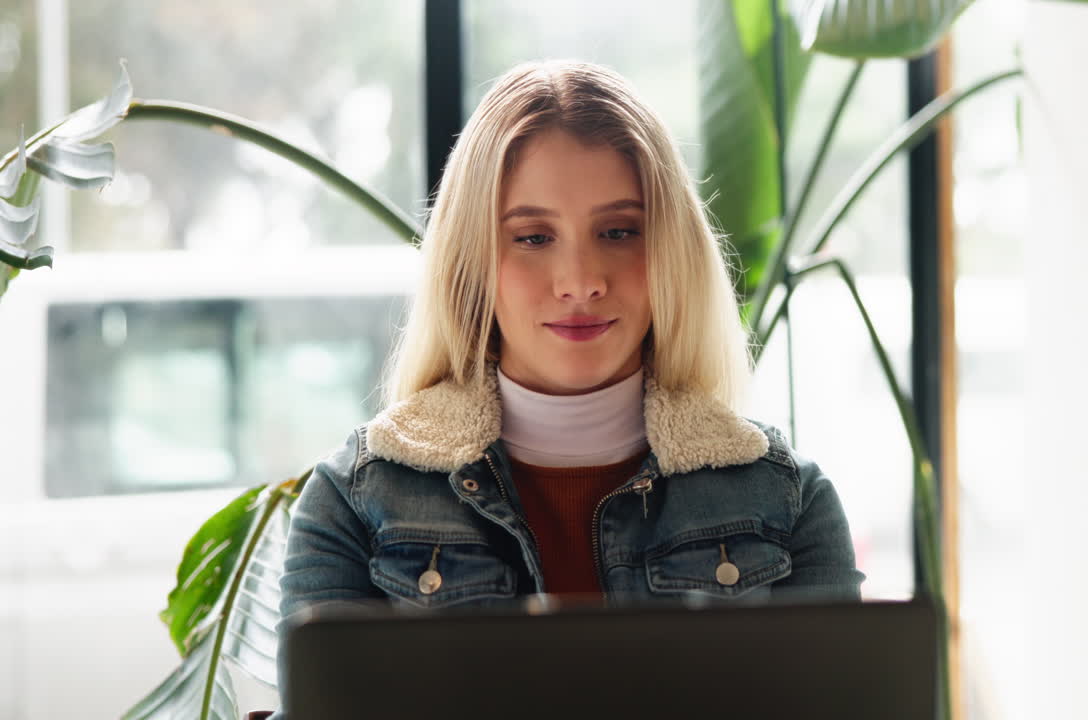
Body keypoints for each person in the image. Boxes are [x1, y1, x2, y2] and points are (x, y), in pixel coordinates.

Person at [275, 59, 864, 702]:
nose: (580, 280)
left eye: (618, 231)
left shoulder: (791, 502)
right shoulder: (351, 506)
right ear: (473, 261)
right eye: (532, 237)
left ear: (669, 249)